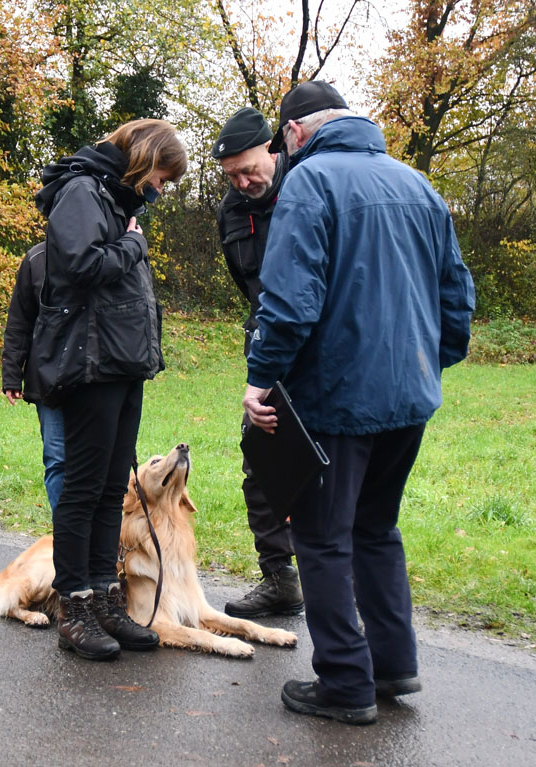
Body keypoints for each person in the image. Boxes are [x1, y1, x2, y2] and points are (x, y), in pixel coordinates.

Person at [241, 81, 475, 725]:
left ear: (293, 133)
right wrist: (426, 364)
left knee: (319, 537)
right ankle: (394, 666)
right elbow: (457, 298)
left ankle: (345, 682)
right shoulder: (419, 185)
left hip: (337, 398)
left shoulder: (310, 185)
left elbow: (288, 305)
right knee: (376, 528)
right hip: (410, 397)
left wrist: (261, 379)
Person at [34, 118, 187, 661]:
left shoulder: (116, 200)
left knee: (107, 491)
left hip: (123, 365)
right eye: (162, 178)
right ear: (143, 160)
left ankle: (104, 598)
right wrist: (132, 248)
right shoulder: (81, 190)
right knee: (82, 488)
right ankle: (75, 606)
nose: (161, 190)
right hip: (91, 364)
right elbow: (81, 265)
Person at [211, 107, 303, 618]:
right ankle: (280, 579)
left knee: (325, 466)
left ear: (274, 149)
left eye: (249, 169)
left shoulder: (310, 184)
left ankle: (336, 578)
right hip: (266, 346)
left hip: (319, 350)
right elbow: (250, 288)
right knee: (260, 461)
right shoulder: (230, 211)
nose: (243, 181)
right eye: (232, 176)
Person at [1, 243, 66, 513]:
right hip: (47, 380)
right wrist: (12, 375)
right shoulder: (36, 258)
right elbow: (20, 320)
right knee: (57, 460)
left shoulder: (103, 253)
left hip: (93, 379)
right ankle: (65, 538)